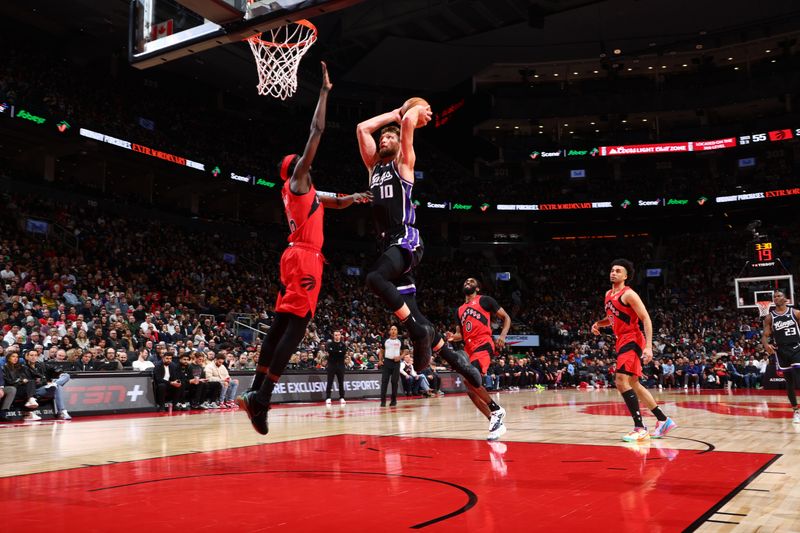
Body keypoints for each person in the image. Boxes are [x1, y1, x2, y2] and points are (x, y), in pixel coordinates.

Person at [238, 62, 370, 435]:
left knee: (281, 325)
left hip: (294, 258)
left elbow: (336, 201)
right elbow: (317, 130)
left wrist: (358, 197)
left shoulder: (308, 193)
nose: (305, 160)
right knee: (295, 328)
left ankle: (254, 391)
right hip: (304, 259)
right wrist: (325, 93)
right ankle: (262, 399)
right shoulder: (297, 182)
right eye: (300, 160)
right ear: (295, 169)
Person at [356, 102, 493, 421]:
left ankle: (417, 332)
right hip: (389, 247)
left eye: (390, 138)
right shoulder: (374, 168)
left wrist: (411, 113)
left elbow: (406, 127)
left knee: (375, 280)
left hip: (406, 240)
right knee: (419, 323)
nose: (386, 140)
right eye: (384, 138)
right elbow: (362, 129)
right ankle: (466, 371)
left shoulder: (403, 165)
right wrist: (392, 114)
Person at [591, 259, 676, 442]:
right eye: (612, 270)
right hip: (621, 340)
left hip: (633, 339)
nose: (613, 273)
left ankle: (639, 427)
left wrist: (648, 346)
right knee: (634, 384)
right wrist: (599, 323)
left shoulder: (629, 294)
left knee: (621, 381)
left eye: (618, 271)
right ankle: (663, 420)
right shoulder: (608, 294)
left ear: (626, 276)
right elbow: (612, 317)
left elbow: (645, 318)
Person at [446, 278, 510, 440]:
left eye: (471, 281)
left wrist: (502, 336)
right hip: (469, 349)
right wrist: (454, 337)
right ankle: (495, 423)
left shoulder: (485, 300)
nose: (467, 281)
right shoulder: (459, 310)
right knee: (470, 390)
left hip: (484, 343)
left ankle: (495, 409)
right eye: (466, 280)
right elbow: (461, 334)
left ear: (477, 287)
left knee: (470, 379)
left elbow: (506, 317)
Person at [761, 290, 800, 424]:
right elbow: (765, 335)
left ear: (786, 299)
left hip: (796, 348)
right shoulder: (770, 317)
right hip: (781, 351)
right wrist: (766, 345)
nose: (776, 298)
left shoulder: (795, 313)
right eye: (774, 297)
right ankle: (796, 411)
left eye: (779, 296)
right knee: (789, 382)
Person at [379, 325, 406, 406]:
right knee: (384, 381)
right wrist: (380, 360)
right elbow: (381, 351)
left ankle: (393, 400)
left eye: (395, 329)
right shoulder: (385, 341)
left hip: (396, 363)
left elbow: (405, 351)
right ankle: (383, 401)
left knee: (394, 382)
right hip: (387, 362)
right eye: (392, 329)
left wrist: (400, 357)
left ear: (397, 331)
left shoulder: (400, 341)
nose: (393, 331)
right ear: (389, 331)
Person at [324, 330, 346, 406]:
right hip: (331, 365)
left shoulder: (343, 345)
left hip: (340, 365)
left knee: (341, 382)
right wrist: (337, 352)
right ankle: (328, 397)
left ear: (340, 336)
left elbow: (342, 353)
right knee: (329, 381)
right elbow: (329, 351)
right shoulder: (329, 344)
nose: (337, 336)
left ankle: (342, 397)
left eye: (338, 335)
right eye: (335, 335)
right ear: (333, 336)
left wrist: (334, 352)